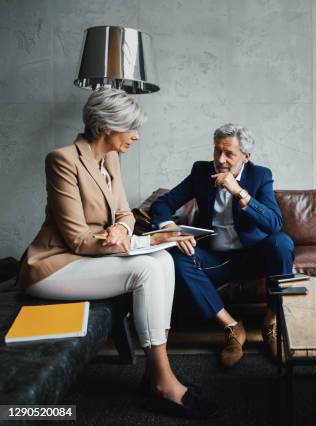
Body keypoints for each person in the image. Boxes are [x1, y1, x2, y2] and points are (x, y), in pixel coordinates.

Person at [17, 88, 216, 419]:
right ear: (107, 126)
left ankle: (154, 374)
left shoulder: (110, 158)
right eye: (131, 128)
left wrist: (123, 230)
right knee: (148, 268)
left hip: (93, 258)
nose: (136, 136)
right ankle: (163, 381)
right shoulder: (63, 160)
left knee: (164, 259)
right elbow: (78, 239)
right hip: (55, 266)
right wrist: (141, 242)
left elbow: (125, 213)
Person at [149, 123, 294, 368]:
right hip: (217, 260)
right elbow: (162, 204)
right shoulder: (200, 172)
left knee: (282, 243)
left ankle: (272, 322)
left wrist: (240, 193)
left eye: (229, 154)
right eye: (217, 151)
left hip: (253, 258)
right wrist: (170, 229)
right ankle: (232, 327)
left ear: (246, 157)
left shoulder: (260, 176)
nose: (220, 160)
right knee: (176, 256)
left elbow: (275, 223)